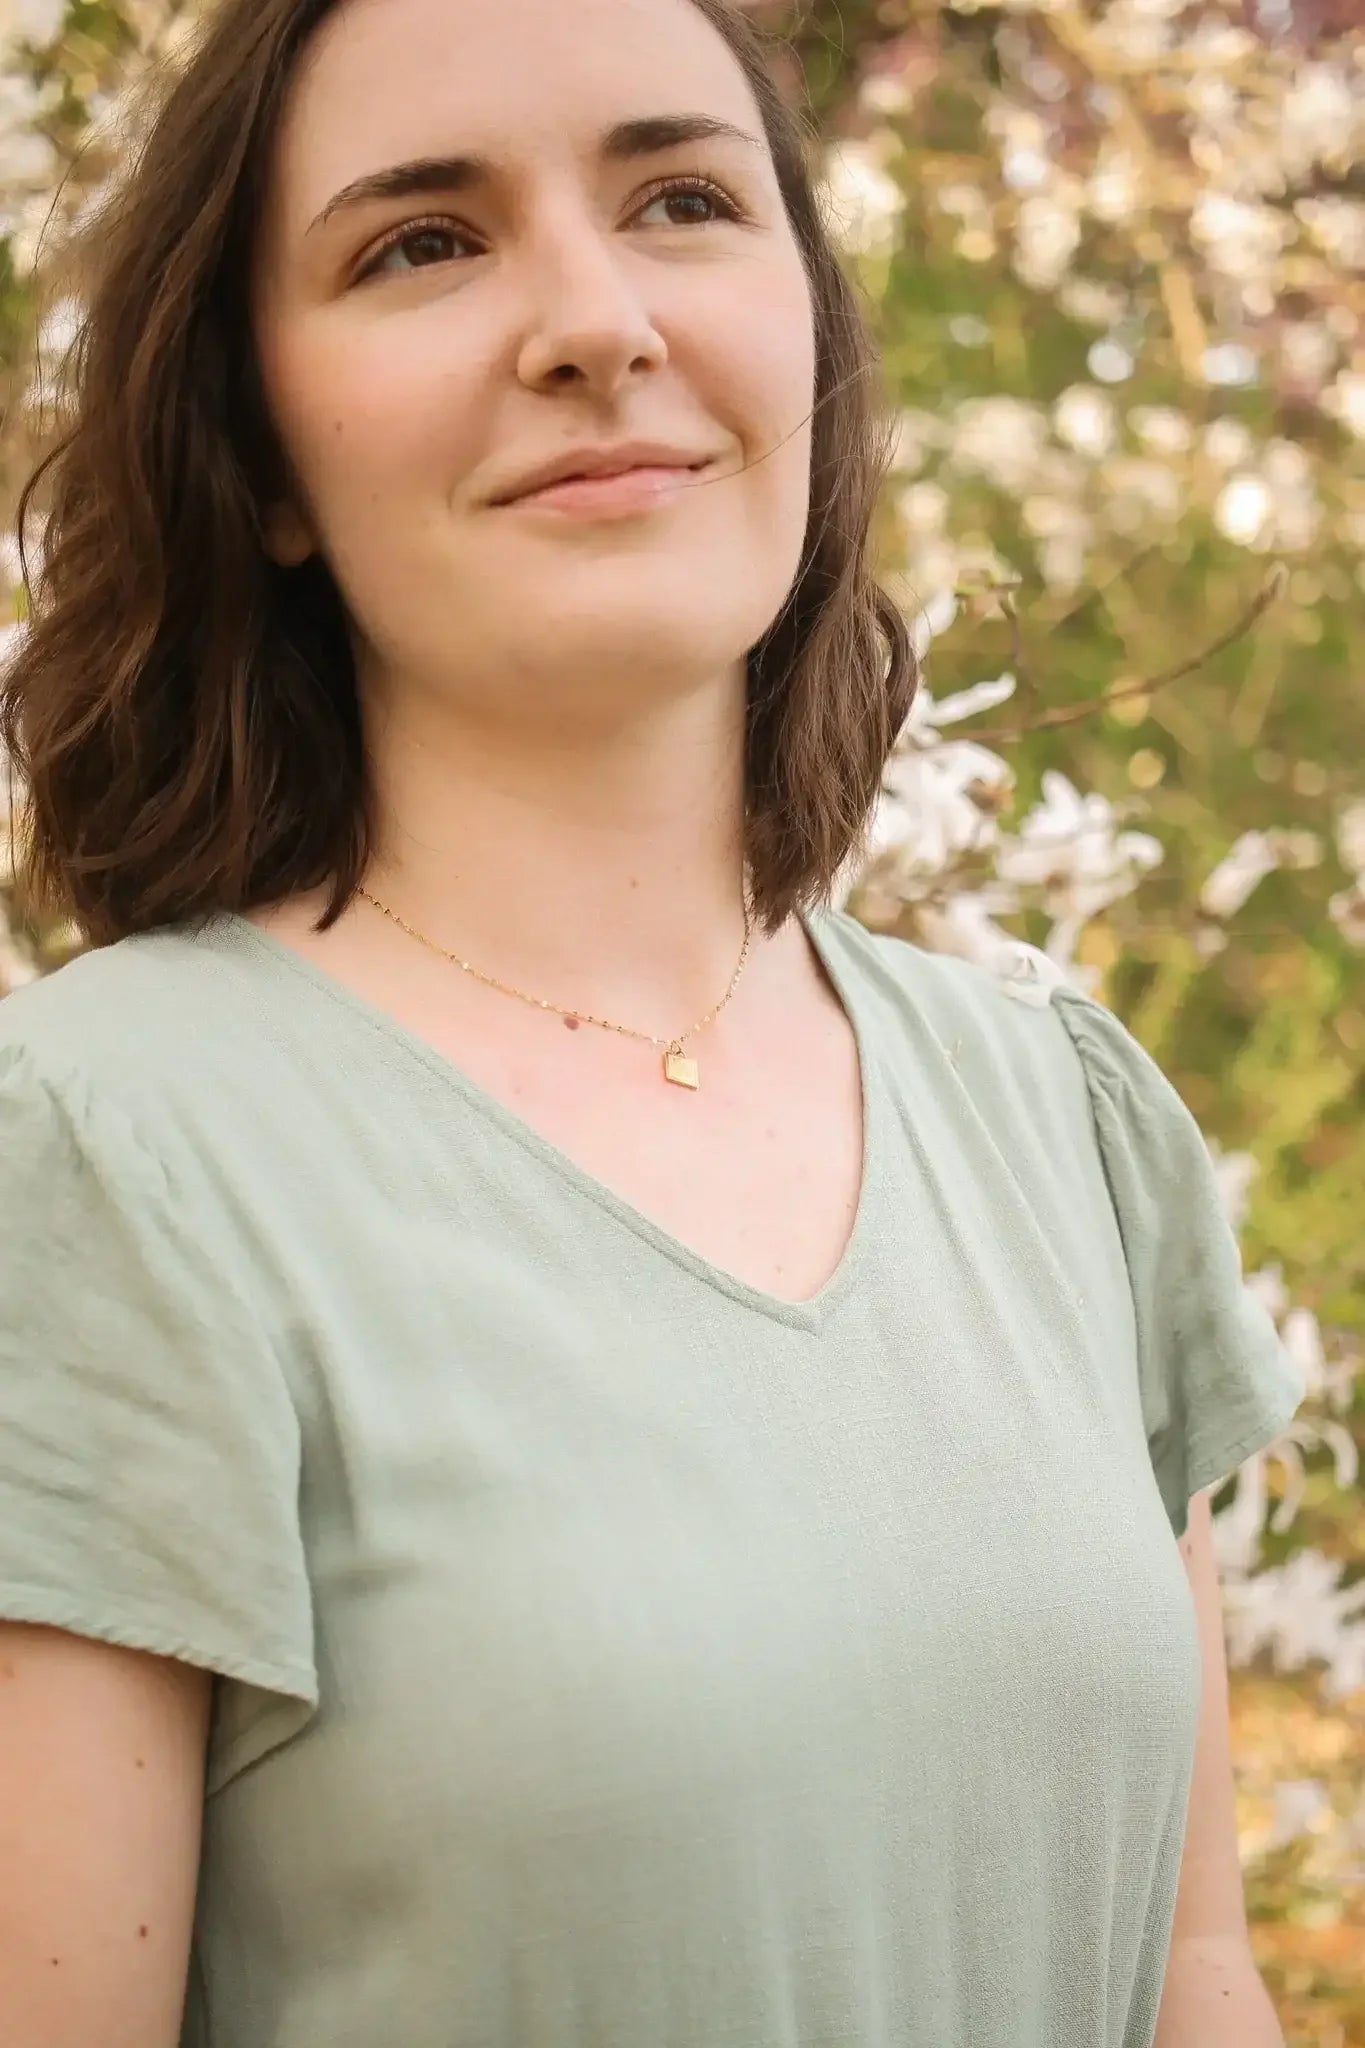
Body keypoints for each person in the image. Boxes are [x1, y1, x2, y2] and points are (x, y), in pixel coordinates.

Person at [0, 0, 1302, 2043]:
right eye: (421, 243)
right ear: (256, 459)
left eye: (681, 198)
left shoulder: (1060, 1121)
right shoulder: (103, 1152)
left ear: (804, 338)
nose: (593, 320)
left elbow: (1186, 1970)